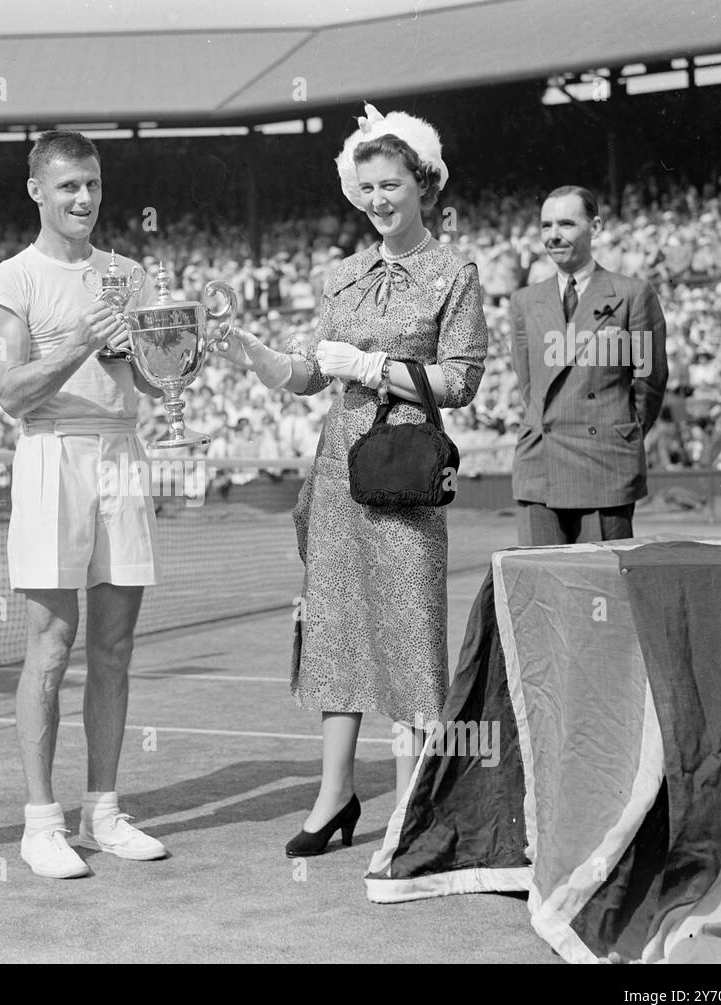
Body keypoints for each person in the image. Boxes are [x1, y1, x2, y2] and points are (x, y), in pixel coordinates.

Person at [219, 104, 488, 852]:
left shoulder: (453, 270)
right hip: (339, 470)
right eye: (366, 186)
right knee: (337, 628)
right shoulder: (338, 276)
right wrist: (260, 356)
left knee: (409, 628)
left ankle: (410, 806)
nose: (378, 199)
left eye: (391, 184)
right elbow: (312, 373)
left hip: (403, 466)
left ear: (423, 184)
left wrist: (377, 369)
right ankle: (334, 797)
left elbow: (461, 380)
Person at [0, 130, 168, 879]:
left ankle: (105, 810)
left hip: (121, 452)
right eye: (67, 188)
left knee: (115, 648)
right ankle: (40, 822)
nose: (83, 199)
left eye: (91, 184)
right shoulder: (8, 280)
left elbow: (158, 386)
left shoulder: (129, 273)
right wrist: (87, 340)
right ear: (38, 192)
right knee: (51, 647)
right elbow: (12, 393)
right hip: (52, 452)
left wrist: (152, 356)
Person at [509, 186, 668, 544]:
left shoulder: (631, 294)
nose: (553, 235)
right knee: (542, 590)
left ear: (594, 226)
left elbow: (650, 381)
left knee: (602, 589)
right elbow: (529, 385)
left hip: (605, 465)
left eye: (566, 223)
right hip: (541, 466)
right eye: (546, 225)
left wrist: (617, 431)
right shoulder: (524, 302)